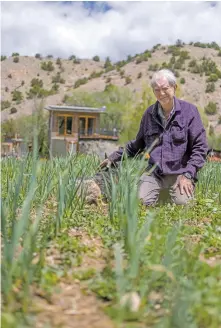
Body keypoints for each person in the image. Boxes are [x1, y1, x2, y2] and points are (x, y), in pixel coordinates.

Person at [100, 69, 208, 206]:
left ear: (174, 87)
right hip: (155, 174)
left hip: (180, 174)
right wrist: (114, 157)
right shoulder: (149, 114)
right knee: (140, 202)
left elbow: (200, 148)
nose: (161, 93)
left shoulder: (190, 112)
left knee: (183, 205)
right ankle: (161, 193)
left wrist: (188, 175)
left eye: (165, 88)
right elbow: (137, 145)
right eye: (157, 90)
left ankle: (171, 194)